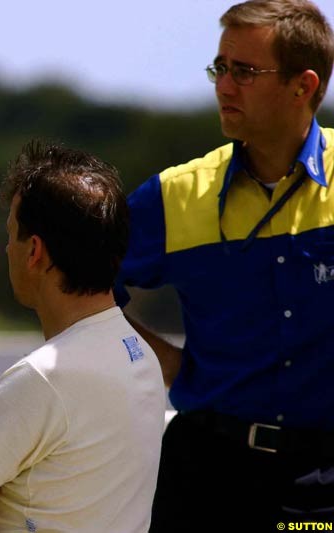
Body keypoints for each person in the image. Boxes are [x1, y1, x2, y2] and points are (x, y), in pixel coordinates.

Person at [115, 0, 334, 529]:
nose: (224, 86)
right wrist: (166, 363)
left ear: (303, 86)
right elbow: (73, 282)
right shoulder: (173, 195)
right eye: (220, 68)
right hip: (207, 472)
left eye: (244, 72)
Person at [0, 141, 166, 532]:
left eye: (12, 233)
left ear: (34, 252)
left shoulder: (44, 378)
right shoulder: (139, 354)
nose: (6, 247)